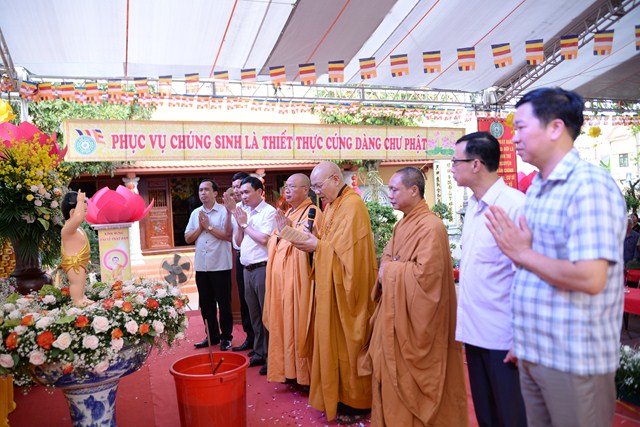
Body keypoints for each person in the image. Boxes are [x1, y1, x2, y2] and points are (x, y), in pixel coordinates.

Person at [486, 88, 627, 427]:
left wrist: (522, 253)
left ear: (555, 128)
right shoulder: (537, 187)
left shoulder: (588, 185)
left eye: (521, 127)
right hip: (536, 352)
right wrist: (523, 339)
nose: (514, 138)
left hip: (574, 359)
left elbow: (590, 278)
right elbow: (536, 266)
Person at [358, 167, 468, 427]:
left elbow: (426, 278)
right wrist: (390, 268)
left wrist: (391, 270)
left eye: (394, 189)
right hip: (394, 316)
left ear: (414, 190)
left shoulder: (432, 227)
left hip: (417, 324)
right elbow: (387, 258)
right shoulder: (402, 224)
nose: (390, 195)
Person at [290, 161, 376, 424]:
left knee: (350, 346)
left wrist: (318, 246)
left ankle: (357, 403)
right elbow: (330, 244)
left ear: (336, 179)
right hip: (332, 289)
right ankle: (336, 396)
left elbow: (350, 256)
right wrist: (313, 240)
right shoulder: (331, 206)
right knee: (332, 345)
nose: (317, 192)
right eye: (314, 188)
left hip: (350, 292)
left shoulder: (353, 206)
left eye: (318, 186)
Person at [451, 132, 527, 427]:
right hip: (475, 333)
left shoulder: (514, 206)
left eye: (456, 161)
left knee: (512, 417)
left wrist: (522, 338)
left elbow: (526, 276)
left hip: (504, 339)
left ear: (476, 164)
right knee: (487, 417)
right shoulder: (472, 206)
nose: (452, 167)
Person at [263, 173, 321, 387]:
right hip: (281, 281)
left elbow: (309, 244)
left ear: (306, 190)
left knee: (297, 325)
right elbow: (274, 240)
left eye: (292, 187)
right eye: (286, 187)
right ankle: (289, 371)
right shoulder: (288, 212)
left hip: (298, 281)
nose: (286, 190)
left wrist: (286, 231)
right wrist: (281, 232)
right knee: (284, 325)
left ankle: (304, 376)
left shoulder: (313, 212)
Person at [232, 176, 276, 376]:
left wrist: (244, 225)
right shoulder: (246, 212)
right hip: (246, 269)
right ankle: (259, 352)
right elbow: (238, 242)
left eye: (247, 192)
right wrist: (239, 224)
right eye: (241, 193)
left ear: (260, 192)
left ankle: (271, 357)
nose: (243, 196)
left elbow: (264, 239)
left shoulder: (269, 212)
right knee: (254, 315)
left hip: (262, 268)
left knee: (266, 315)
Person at [185, 180, 234, 351]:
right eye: (200, 190)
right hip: (202, 266)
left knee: (224, 304)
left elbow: (229, 236)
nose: (203, 193)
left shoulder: (224, 211)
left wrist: (209, 227)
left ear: (215, 193)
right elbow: (188, 238)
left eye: (206, 189)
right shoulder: (195, 213)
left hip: (220, 265)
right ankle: (212, 336)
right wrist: (201, 227)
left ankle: (226, 337)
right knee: (206, 305)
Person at [225, 171, 255, 353]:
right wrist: (229, 212)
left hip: (253, 257)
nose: (237, 191)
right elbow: (228, 232)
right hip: (239, 255)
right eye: (234, 187)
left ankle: (258, 340)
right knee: (244, 299)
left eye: (240, 187)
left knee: (254, 302)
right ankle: (249, 336)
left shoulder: (252, 208)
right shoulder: (235, 207)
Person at [60, 190, 93, 307]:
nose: (85, 214)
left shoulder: (76, 228)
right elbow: (78, 218)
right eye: (84, 211)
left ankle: (81, 297)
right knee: (76, 283)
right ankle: (77, 300)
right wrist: (80, 201)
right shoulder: (67, 229)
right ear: (72, 212)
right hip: (74, 263)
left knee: (81, 281)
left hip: (80, 261)